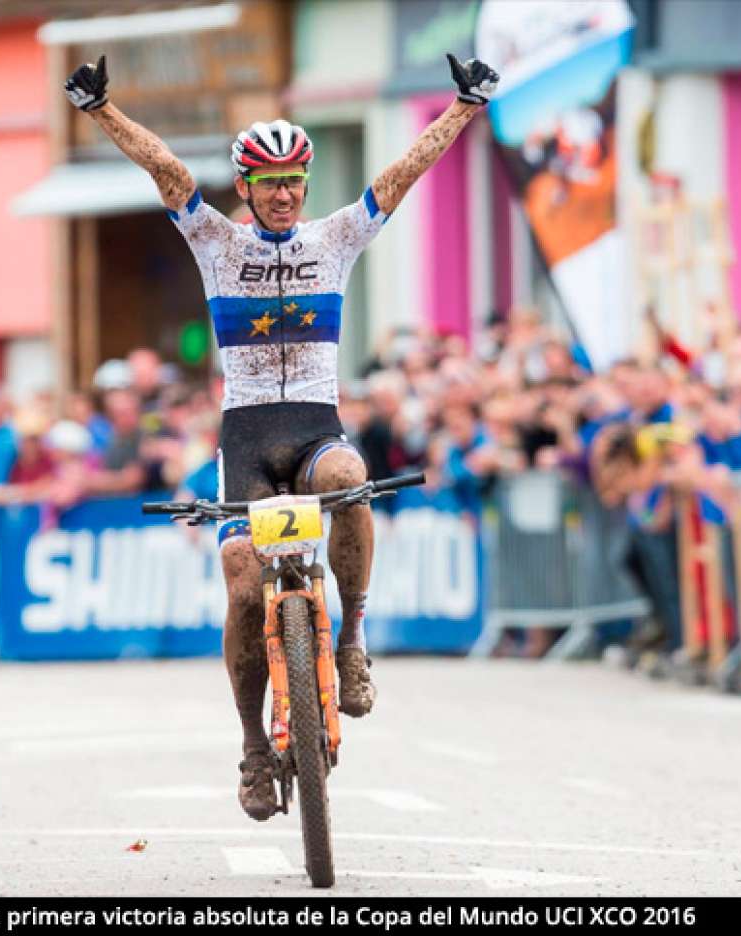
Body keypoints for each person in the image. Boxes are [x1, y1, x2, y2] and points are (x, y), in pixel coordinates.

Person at [65, 49, 499, 820]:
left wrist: (464, 108)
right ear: (247, 190)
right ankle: (252, 749)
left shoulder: (332, 240)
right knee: (240, 585)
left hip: (314, 429)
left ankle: (352, 638)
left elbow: (400, 176)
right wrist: (101, 113)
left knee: (348, 481)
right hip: (247, 444)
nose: (285, 197)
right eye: (270, 186)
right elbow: (166, 169)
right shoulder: (217, 244)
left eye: (295, 184)